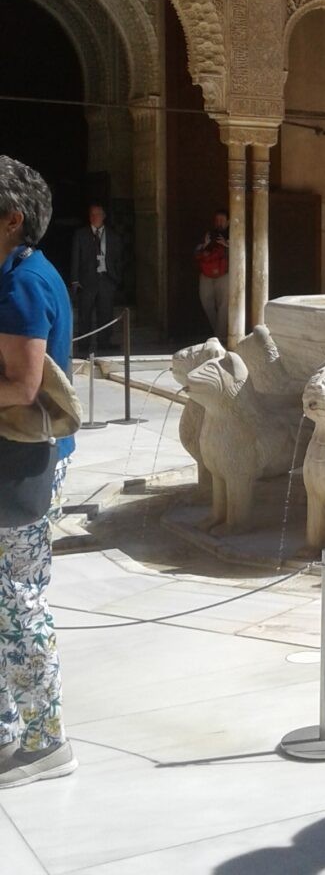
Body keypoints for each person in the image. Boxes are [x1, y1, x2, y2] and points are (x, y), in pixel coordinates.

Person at [0, 155, 78, 789]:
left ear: (11, 219)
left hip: (21, 466)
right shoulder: (17, 272)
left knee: (19, 605)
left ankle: (46, 741)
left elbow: (23, 386)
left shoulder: (23, 283)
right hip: (15, 461)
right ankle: (8, 729)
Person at [69, 202, 123, 353]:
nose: (95, 217)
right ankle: (83, 346)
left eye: (98, 214)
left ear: (104, 216)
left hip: (107, 279)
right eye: (92, 214)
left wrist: (116, 278)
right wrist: (75, 280)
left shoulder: (113, 236)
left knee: (105, 314)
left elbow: (118, 258)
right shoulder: (81, 234)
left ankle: (104, 344)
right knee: (85, 315)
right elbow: (75, 257)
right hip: (87, 281)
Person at [195, 209, 229, 342]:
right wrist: (205, 245)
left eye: (222, 220)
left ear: (228, 222)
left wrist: (227, 245)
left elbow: (241, 255)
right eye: (217, 220)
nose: (219, 223)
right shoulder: (207, 234)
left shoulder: (234, 233)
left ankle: (219, 338)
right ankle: (219, 333)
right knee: (207, 303)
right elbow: (196, 253)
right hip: (206, 274)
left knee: (224, 305)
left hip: (225, 274)